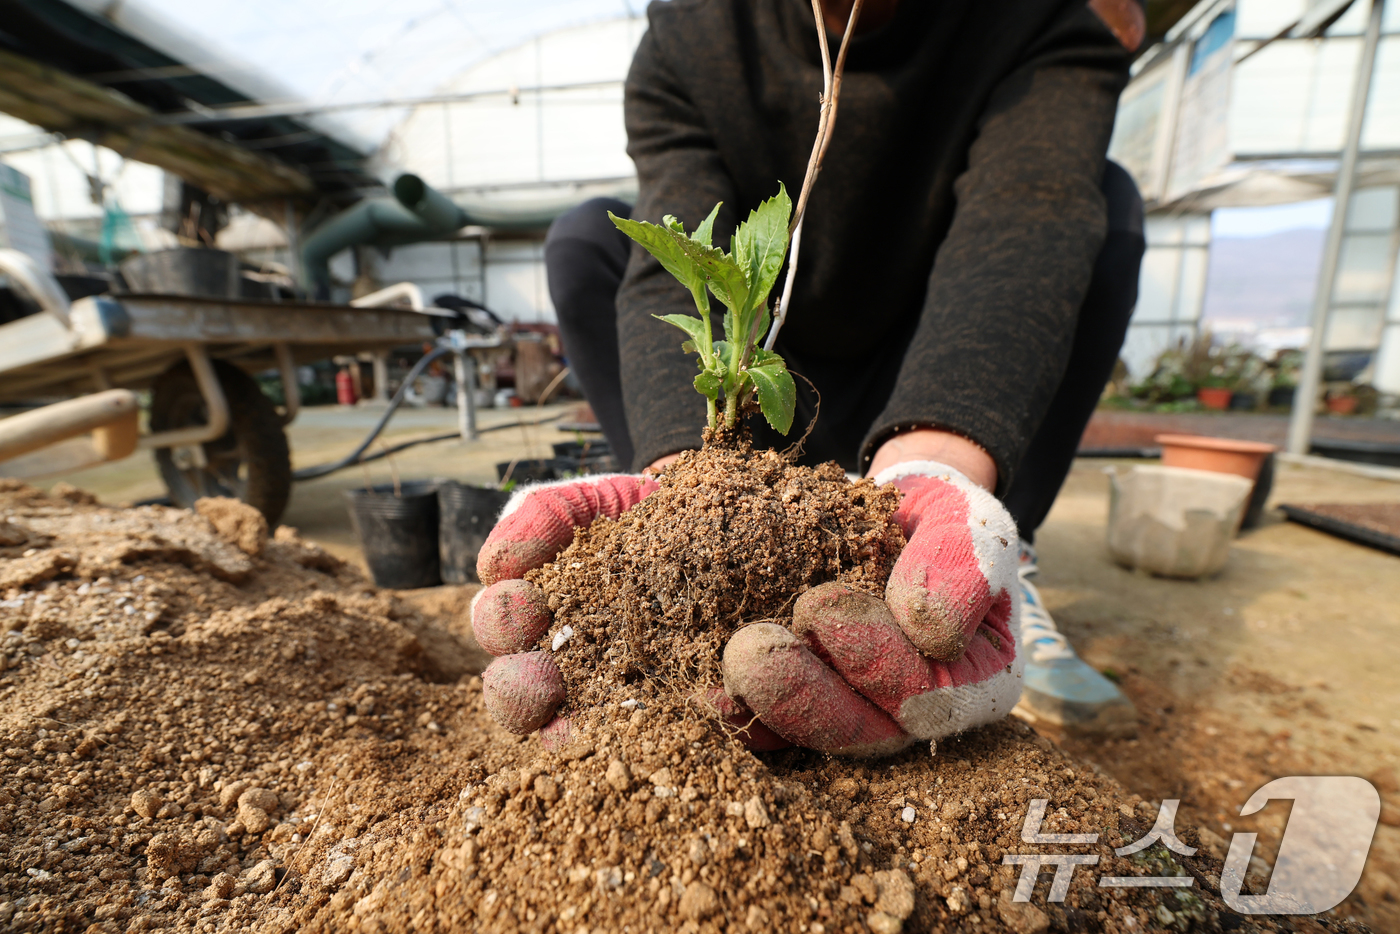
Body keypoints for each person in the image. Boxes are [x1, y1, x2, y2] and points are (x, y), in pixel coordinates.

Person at [477, 0, 1147, 751]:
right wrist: (687, 497)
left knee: (1107, 212)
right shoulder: (691, 29)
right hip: (769, 371)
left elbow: (1025, 222)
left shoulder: (1046, 18)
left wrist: (939, 461)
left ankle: (981, 552)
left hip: (933, 355)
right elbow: (675, 245)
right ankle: (672, 488)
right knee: (584, 239)